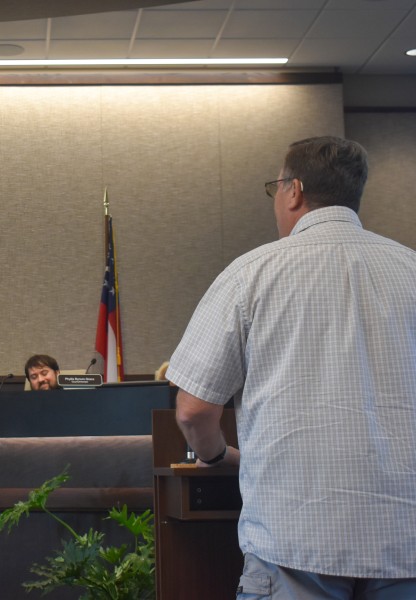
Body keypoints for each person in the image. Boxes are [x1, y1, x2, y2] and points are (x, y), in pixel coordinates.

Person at [166, 136, 416, 599]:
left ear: (295, 190)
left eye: (275, 188)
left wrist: (218, 456)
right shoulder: (410, 268)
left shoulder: (251, 273)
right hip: (405, 542)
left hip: (296, 543)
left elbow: (193, 411)